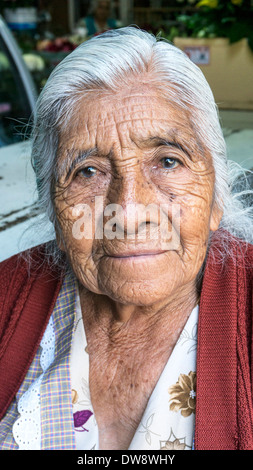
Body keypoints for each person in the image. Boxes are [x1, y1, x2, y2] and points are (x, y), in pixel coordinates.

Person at [0, 27, 252, 451]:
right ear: (54, 209)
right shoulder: (6, 298)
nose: (130, 213)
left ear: (215, 198)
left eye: (168, 161)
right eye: (89, 172)